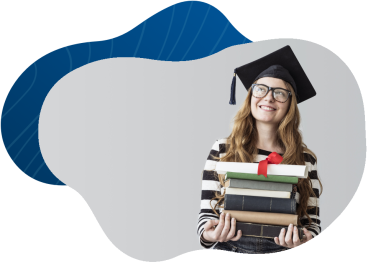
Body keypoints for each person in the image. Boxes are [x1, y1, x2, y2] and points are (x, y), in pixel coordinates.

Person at [197, 46, 323, 254]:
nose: (269, 98)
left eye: (280, 93)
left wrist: (304, 239)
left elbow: (313, 224)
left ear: (290, 104)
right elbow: (206, 216)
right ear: (250, 96)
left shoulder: (304, 158)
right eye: (261, 89)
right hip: (229, 247)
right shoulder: (222, 149)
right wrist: (210, 234)